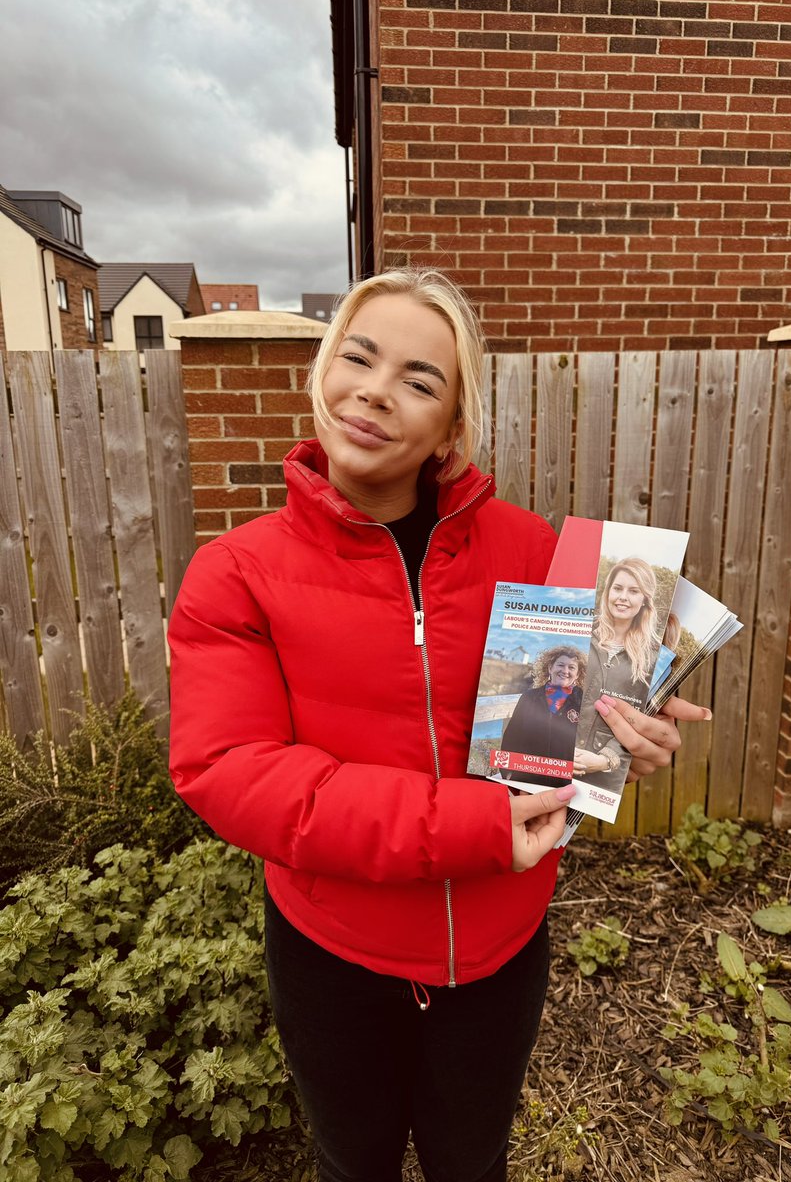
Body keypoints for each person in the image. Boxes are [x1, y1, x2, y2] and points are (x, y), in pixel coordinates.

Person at [167, 268, 710, 1182]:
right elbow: (230, 770)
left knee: (474, 1162)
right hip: (335, 958)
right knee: (356, 1164)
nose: (376, 390)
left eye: (420, 379)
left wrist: (629, 732)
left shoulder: (536, 554)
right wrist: (466, 826)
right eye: (358, 357)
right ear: (324, 373)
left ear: (452, 425)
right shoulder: (237, 574)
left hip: (498, 952)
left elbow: (562, 737)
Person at [574, 558, 659, 782]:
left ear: (644, 600)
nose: (623, 597)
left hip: (602, 776)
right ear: (608, 592)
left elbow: (644, 720)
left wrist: (606, 759)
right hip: (554, 760)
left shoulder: (653, 656)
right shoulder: (578, 630)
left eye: (633, 591)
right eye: (618, 588)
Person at [498, 645, 587, 786]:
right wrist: (506, 771)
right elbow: (512, 736)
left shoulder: (584, 703)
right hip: (525, 780)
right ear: (550, 668)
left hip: (565, 783)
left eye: (571, 667)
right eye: (561, 665)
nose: (565, 671)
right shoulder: (528, 697)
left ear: (578, 674)